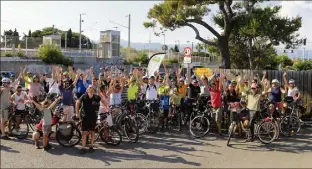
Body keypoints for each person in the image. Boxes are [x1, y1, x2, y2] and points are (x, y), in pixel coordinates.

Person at [75, 86, 106, 154]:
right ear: (87, 90)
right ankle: (83, 148)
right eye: (89, 89)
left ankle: (91, 146)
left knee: (92, 132)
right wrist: (77, 113)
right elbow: (77, 103)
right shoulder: (84, 96)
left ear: (93, 90)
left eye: (92, 89)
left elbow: (103, 101)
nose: (91, 90)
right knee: (84, 133)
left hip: (93, 117)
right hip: (85, 117)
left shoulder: (96, 97)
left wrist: (107, 108)